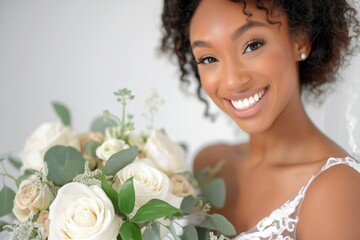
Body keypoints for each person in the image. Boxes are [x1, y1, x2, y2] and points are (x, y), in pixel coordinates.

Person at [161, 0, 360, 239]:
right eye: (208, 59)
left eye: (252, 45)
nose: (232, 81)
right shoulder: (210, 165)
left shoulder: (335, 191)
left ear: (300, 40)